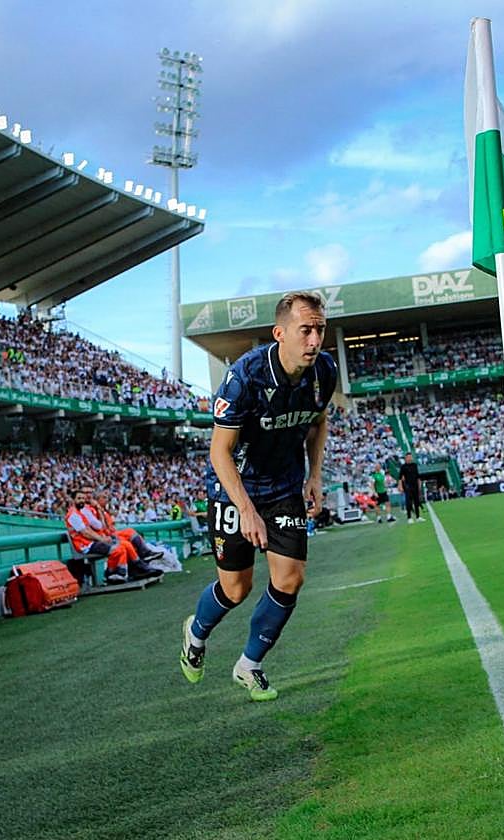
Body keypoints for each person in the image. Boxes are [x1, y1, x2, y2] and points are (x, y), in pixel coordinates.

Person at [179, 291, 335, 701]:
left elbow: (319, 423)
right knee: (236, 589)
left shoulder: (325, 371)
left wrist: (314, 474)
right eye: (306, 330)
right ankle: (196, 632)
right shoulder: (246, 376)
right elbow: (219, 451)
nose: (315, 340)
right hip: (237, 489)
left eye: (320, 329)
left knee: (290, 578)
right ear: (280, 333)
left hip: (284, 488)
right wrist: (245, 510)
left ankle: (249, 665)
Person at [399, 451, 424, 523]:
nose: (410, 458)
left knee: (417, 501)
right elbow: (400, 478)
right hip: (408, 486)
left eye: (411, 457)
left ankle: (418, 517)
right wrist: (400, 486)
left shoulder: (414, 465)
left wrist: (419, 485)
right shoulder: (403, 467)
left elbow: (418, 476)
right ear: (406, 458)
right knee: (409, 502)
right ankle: (409, 518)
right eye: (408, 457)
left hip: (415, 485)